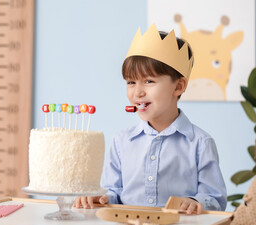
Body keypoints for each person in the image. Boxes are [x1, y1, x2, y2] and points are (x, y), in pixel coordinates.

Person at [73, 24, 227, 214]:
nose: (138, 92)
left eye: (149, 81)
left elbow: (215, 198)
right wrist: (102, 197)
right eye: (131, 82)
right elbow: (114, 192)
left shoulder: (200, 143)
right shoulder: (121, 141)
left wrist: (194, 201)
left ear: (178, 87)